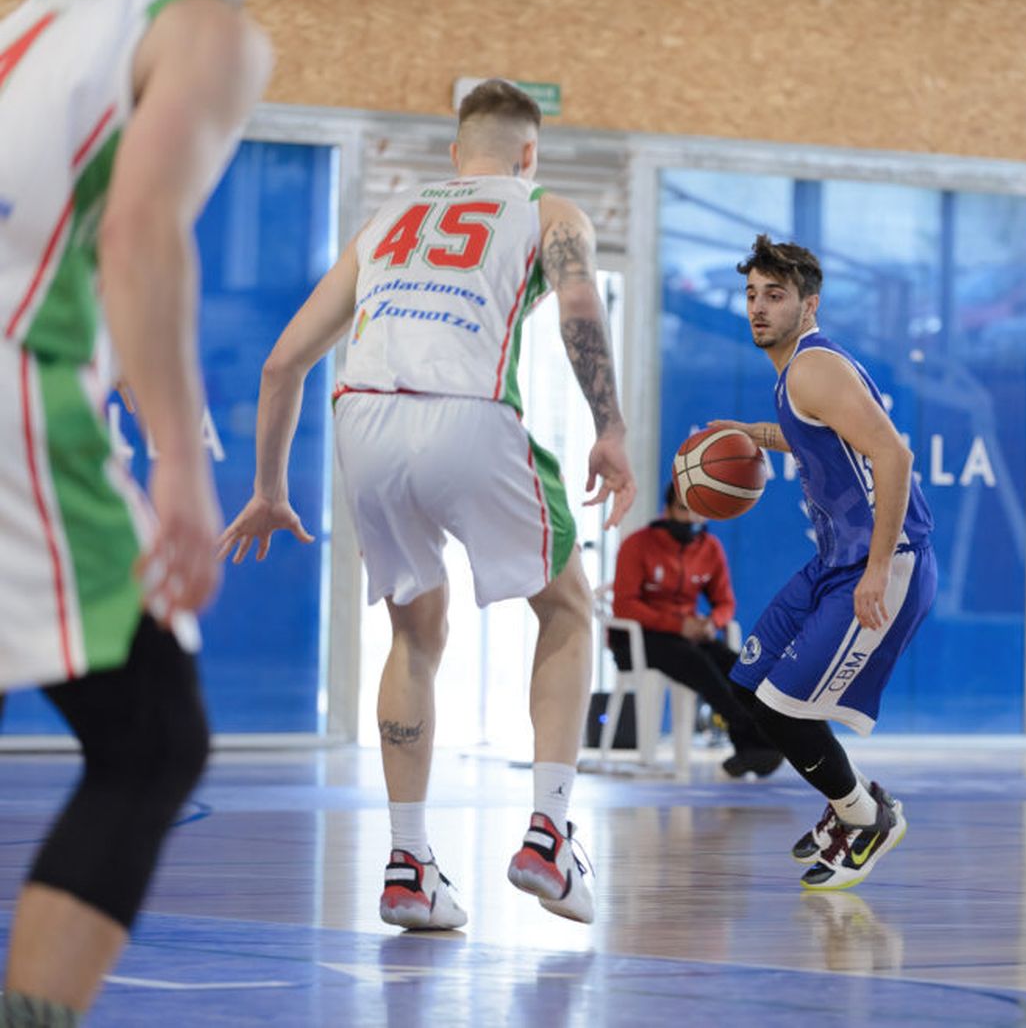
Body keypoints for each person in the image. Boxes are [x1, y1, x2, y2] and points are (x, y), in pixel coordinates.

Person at [217, 79, 635, 930]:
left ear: (455, 153)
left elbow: (280, 364)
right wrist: (610, 424)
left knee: (413, 629)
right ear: (528, 153)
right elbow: (580, 305)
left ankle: (409, 866)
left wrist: (268, 490)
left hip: (362, 415)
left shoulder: (385, 221)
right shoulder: (550, 208)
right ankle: (550, 834)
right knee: (565, 606)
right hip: (468, 413)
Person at [0, 0, 274, 1023]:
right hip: (22, 379)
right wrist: (180, 463)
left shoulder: (51, 5)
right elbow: (139, 233)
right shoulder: (206, 23)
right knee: (152, 733)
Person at [710, 235, 936, 890]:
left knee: (782, 708)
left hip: (882, 563)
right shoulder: (795, 376)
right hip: (834, 561)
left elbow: (894, 457)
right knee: (746, 688)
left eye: (774, 296)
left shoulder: (812, 366)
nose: (758, 308)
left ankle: (868, 817)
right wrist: (752, 433)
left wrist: (875, 569)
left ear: (809, 304)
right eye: (751, 295)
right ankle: (852, 806)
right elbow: (817, 437)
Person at [609, 482, 784, 777]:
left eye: (698, 511)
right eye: (682, 509)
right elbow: (625, 606)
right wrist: (678, 625)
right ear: (667, 510)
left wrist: (711, 623)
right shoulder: (637, 544)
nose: (690, 518)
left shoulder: (710, 548)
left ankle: (750, 747)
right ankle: (753, 739)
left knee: (738, 666)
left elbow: (725, 602)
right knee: (700, 666)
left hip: (688, 637)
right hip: (638, 640)